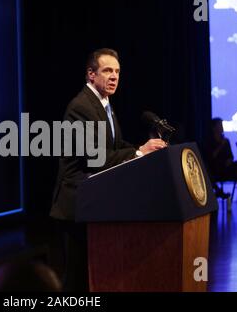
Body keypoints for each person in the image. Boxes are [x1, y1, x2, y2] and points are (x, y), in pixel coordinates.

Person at [50, 48, 166, 291]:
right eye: (107, 71)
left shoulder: (105, 104)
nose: (114, 76)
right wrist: (138, 153)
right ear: (91, 75)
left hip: (97, 202)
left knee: (94, 275)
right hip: (78, 204)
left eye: (117, 71)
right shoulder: (80, 106)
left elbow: (116, 146)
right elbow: (95, 158)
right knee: (77, 279)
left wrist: (142, 150)